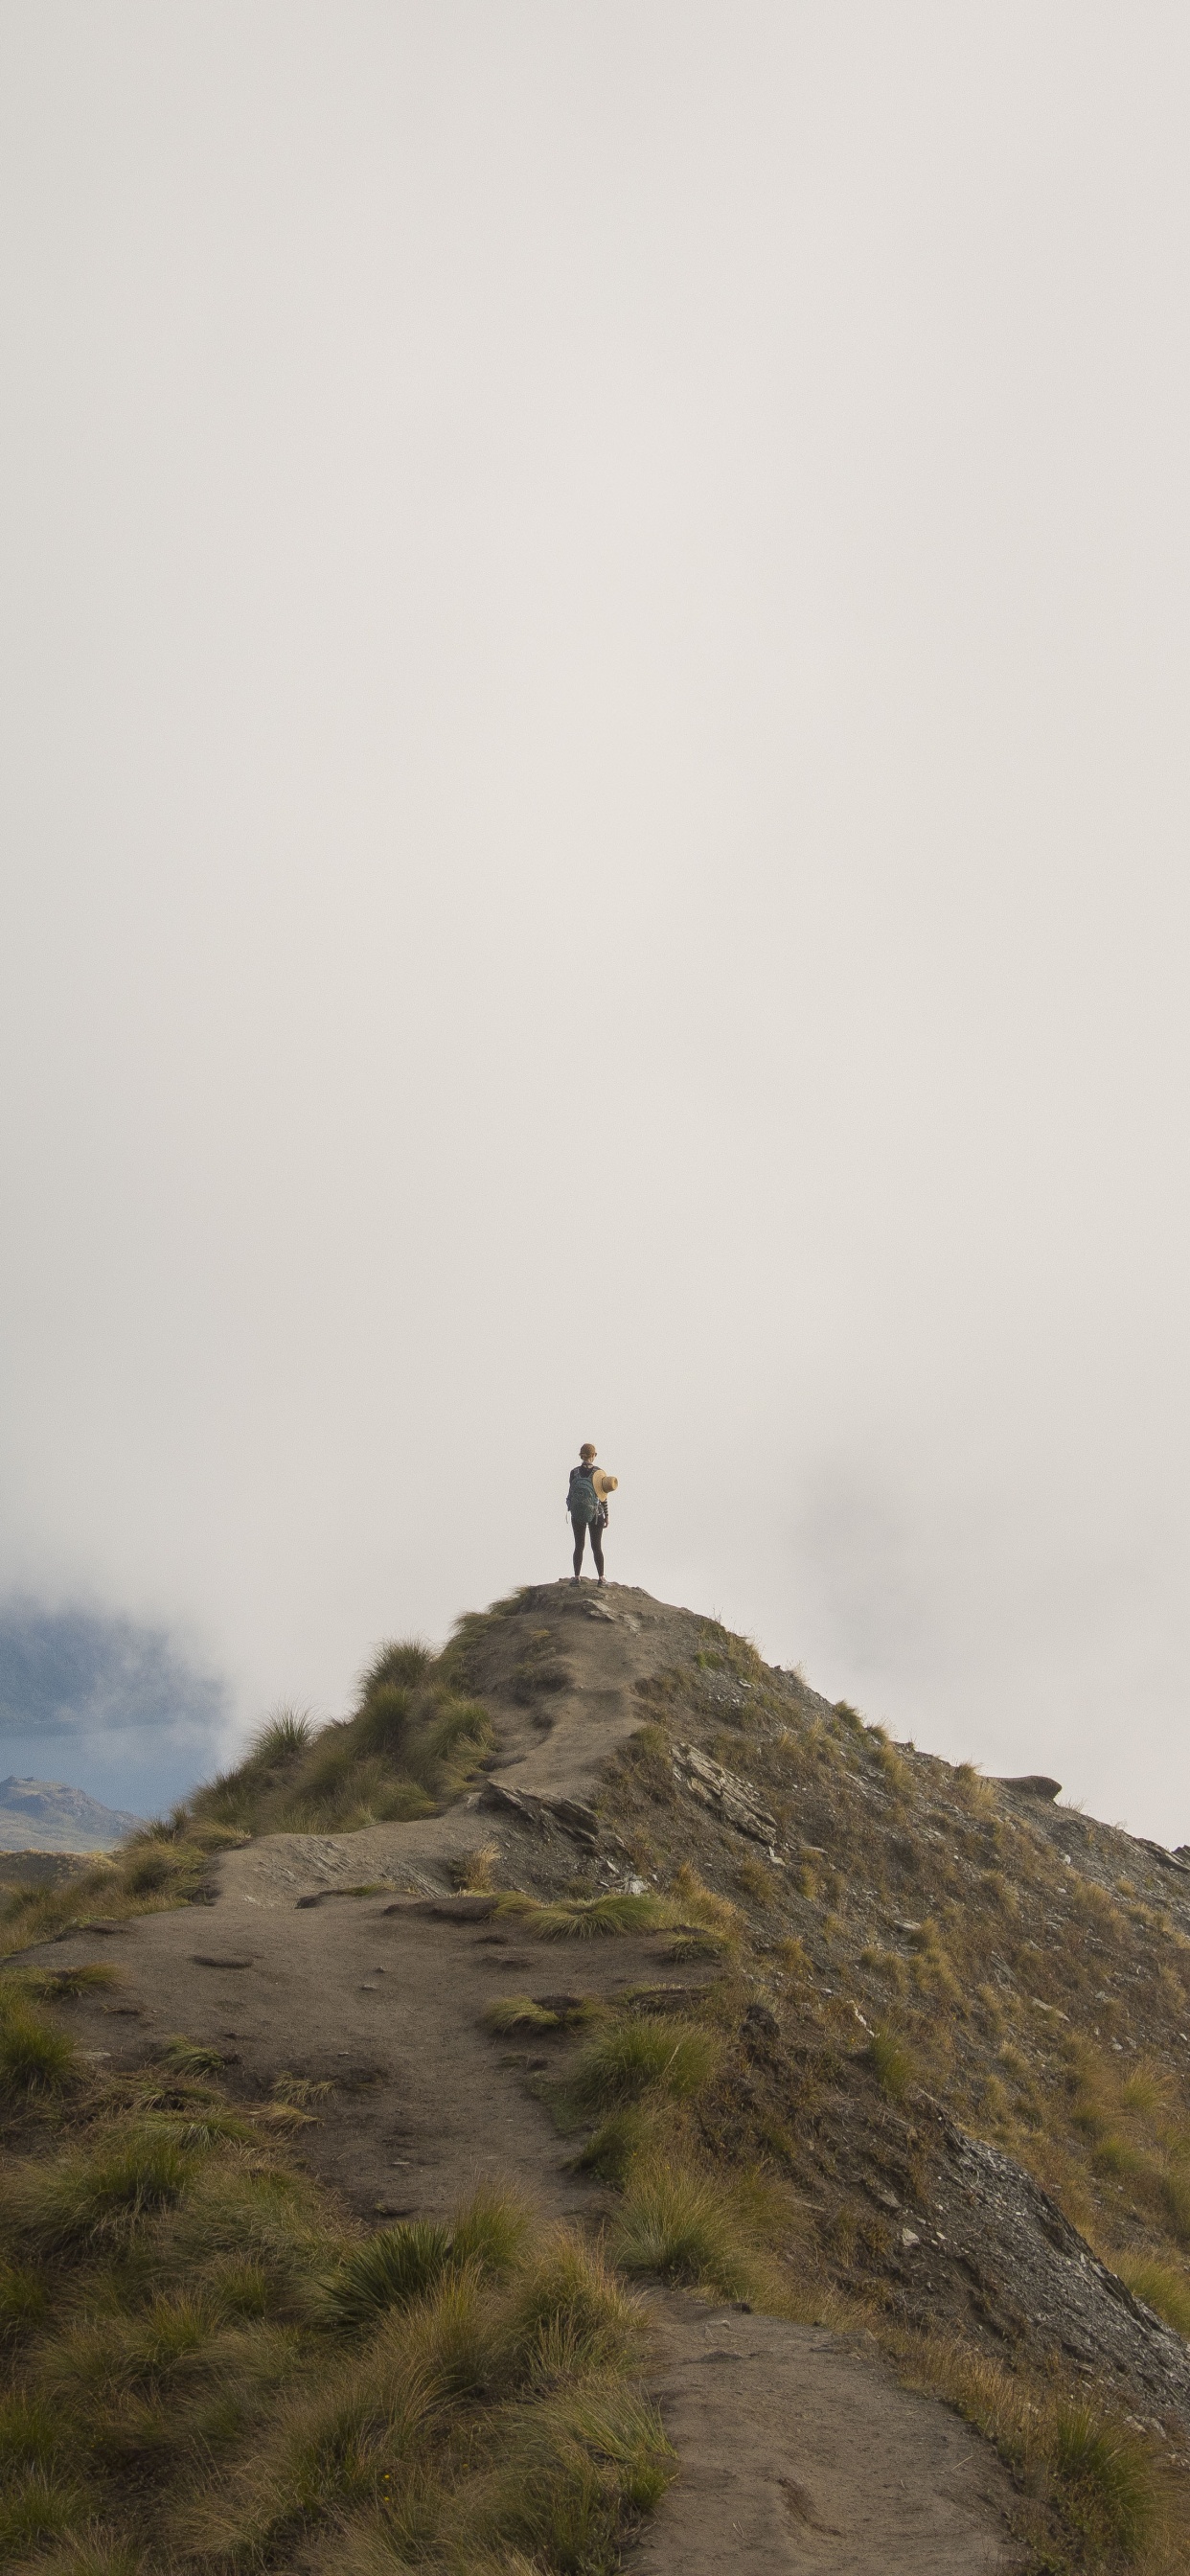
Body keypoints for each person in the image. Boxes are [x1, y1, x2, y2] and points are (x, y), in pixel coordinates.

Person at [566, 1442, 606, 1583]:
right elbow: (603, 1496)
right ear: (594, 1455)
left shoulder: (574, 1472)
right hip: (596, 1514)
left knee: (579, 1546)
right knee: (596, 1547)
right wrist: (607, 1515)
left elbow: (571, 1492)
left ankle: (576, 1577)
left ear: (581, 1456)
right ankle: (601, 1578)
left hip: (577, 1513)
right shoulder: (599, 1472)